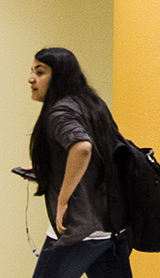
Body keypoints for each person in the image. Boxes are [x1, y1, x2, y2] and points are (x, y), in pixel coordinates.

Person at [27, 47, 132, 278]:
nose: (31, 79)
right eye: (32, 71)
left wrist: (63, 200)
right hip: (111, 226)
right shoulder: (93, 105)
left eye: (40, 72)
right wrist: (51, 170)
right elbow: (99, 157)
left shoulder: (60, 113)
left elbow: (82, 148)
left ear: (59, 76)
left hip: (78, 229)